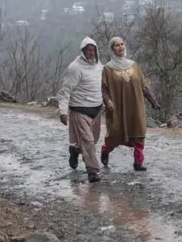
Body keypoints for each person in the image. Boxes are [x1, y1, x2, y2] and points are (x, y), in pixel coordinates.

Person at [100, 37, 160, 171]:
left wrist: (153, 101)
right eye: (117, 45)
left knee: (138, 132)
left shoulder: (134, 65)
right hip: (117, 108)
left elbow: (143, 86)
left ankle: (138, 162)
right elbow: (103, 89)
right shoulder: (108, 69)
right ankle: (105, 150)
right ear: (112, 49)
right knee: (115, 134)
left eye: (122, 44)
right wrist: (107, 101)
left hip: (135, 107)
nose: (120, 47)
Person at [57, 36, 104, 183]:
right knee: (88, 142)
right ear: (83, 51)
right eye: (88, 50)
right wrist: (63, 112)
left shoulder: (99, 66)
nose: (91, 52)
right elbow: (65, 91)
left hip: (96, 111)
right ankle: (93, 171)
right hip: (79, 110)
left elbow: (103, 86)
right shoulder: (74, 68)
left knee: (93, 140)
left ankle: (75, 150)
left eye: (93, 50)